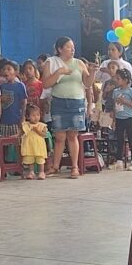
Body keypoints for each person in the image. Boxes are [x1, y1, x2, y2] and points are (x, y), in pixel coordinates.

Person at [42, 37, 93, 179]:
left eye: (73, 47)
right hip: (59, 102)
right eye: (69, 47)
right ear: (60, 49)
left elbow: (87, 83)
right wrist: (59, 72)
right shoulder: (51, 62)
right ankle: (55, 166)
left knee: (72, 135)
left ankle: (75, 166)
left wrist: (93, 72)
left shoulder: (79, 63)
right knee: (59, 136)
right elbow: (46, 84)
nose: (72, 49)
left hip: (76, 102)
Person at [111, 68, 132, 171]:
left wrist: (125, 102)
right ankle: (119, 161)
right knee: (119, 140)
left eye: (118, 78)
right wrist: (114, 120)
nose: (116, 80)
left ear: (125, 80)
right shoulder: (115, 91)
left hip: (129, 118)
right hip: (119, 118)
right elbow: (115, 106)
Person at [0, 60, 28, 141]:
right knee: (3, 143)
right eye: (4, 69)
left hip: (16, 121)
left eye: (9, 69)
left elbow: (24, 103)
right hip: (3, 121)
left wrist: (22, 118)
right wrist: (0, 99)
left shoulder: (20, 86)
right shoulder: (1, 86)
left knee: (17, 142)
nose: (6, 71)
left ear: (16, 72)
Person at [21, 105, 49, 180]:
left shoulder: (42, 125)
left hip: (39, 146)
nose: (36, 117)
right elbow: (22, 132)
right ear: (28, 116)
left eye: (38, 115)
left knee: (40, 159)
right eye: (33, 115)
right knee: (30, 159)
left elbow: (44, 135)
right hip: (29, 145)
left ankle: (41, 172)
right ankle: (31, 172)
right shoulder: (26, 125)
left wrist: (37, 130)